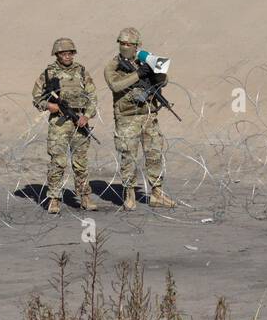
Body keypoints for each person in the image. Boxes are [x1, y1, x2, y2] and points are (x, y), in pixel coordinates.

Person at [103, 27, 174, 210]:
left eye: (129, 44)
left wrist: (154, 73)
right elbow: (115, 85)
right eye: (122, 43)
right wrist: (138, 75)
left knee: (154, 155)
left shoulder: (145, 60)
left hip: (148, 115)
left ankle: (157, 193)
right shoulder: (113, 65)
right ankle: (129, 194)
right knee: (128, 157)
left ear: (137, 45)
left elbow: (164, 79)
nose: (125, 47)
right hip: (127, 117)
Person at [33, 38, 100, 214]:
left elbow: (92, 96)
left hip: (79, 121)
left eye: (70, 53)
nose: (68, 56)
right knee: (58, 161)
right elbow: (37, 97)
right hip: (59, 123)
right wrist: (50, 106)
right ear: (57, 54)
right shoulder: (48, 73)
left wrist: (86, 115)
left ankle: (85, 196)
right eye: (64, 53)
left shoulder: (82, 72)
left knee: (81, 163)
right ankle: (54, 198)